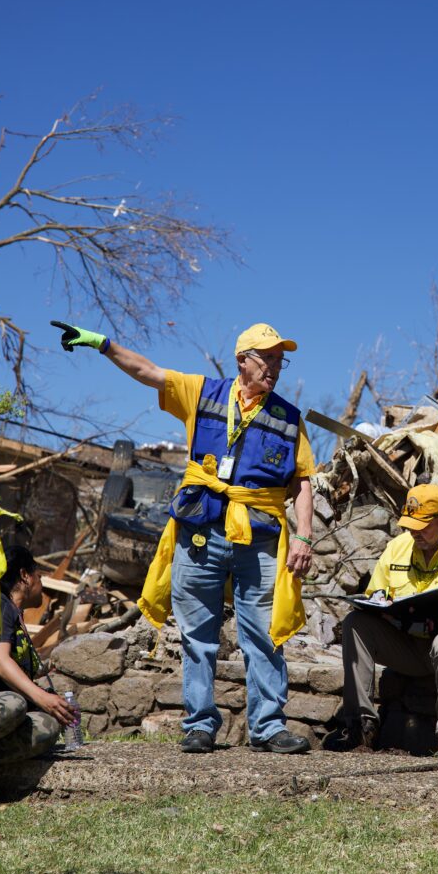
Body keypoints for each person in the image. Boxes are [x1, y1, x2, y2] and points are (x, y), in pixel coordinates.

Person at [51, 319, 315, 754]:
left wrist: (304, 537)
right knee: (197, 635)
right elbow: (148, 372)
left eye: (278, 360)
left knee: (265, 634)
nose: (273, 367)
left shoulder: (289, 418)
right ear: (241, 361)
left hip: (260, 538)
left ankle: (268, 727)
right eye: (265, 358)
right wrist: (103, 345)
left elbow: (302, 480)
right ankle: (199, 724)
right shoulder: (202, 392)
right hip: (200, 534)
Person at [324, 484, 438, 757]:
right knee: (355, 623)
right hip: (410, 644)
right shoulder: (398, 547)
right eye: (409, 525)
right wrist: (379, 607)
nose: (414, 532)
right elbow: (377, 596)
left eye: (422, 526)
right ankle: (360, 727)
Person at [0, 546, 75, 764]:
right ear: (25, 576)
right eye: (38, 576)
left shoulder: (15, 616)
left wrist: (48, 702)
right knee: (13, 704)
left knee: (47, 726)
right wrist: (41, 697)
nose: (42, 582)